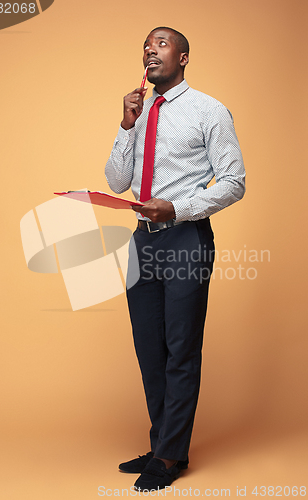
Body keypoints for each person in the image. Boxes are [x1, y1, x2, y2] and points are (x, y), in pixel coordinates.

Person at [105, 26, 245, 491]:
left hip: (185, 238)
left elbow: (233, 181)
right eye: (146, 45)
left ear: (183, 58)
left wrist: (179, 207)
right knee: (150, 351)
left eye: (161, 44)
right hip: (142, 242)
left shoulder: (210, 110)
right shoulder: (140, 114)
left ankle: (168, 457)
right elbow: (117, 181)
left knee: (180, 350)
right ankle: (165, 442)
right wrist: (126, 126)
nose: (150, 49)